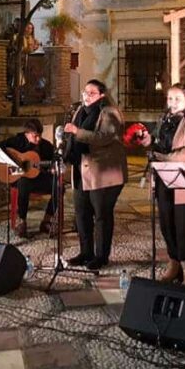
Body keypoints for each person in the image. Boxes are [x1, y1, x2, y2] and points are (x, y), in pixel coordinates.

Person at [138, 82, 185, 287]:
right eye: (170, 98)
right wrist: (148, 141)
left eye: (177, 99)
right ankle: (174, 262)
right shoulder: (164, 120)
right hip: (164, 179)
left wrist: (165, 158)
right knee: (167, 224)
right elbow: (159, 144)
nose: (173, 103)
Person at [63, 79, 127, 270]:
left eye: (91, 93)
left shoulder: (110, 112)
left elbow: (105, 137)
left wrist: (77, 131)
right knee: (82, 214)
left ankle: (101, 256)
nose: (86, 96)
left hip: (103, 174)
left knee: (101, 216)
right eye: (85, 92)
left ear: (102, 95)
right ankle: (86, 252)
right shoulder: (80, 111)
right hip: (81, 171)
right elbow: (72, 138)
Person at [0, 118, 57, 238]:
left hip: (39, 178)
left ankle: (46, 220)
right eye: (35, 136)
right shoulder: (17, 141)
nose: (38, 139)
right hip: (18, 179)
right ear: (27, 134)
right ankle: (22, 221)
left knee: (59, 186)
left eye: (40, 135)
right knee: (24, 182)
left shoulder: (46, 146)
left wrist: (52, 169)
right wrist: (15, 160)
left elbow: (55, 161)